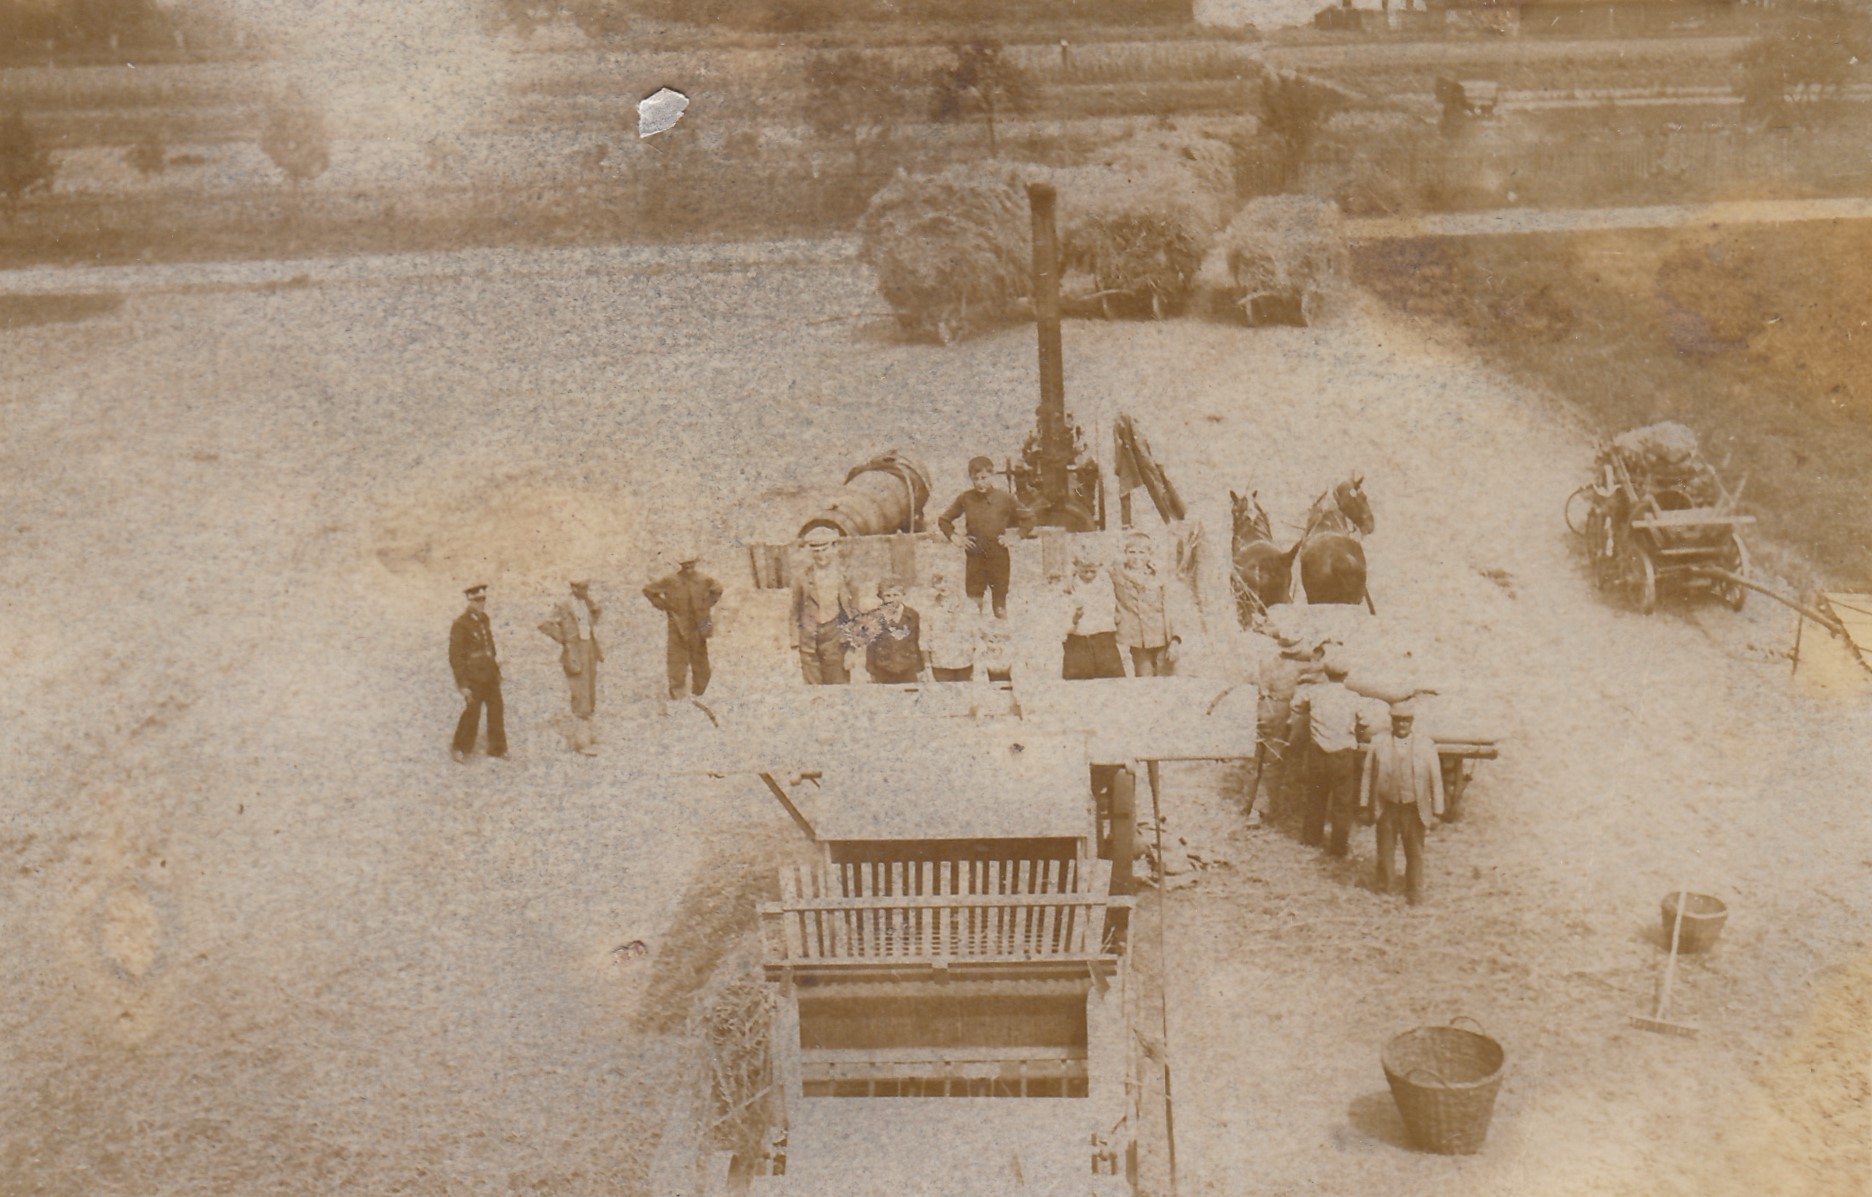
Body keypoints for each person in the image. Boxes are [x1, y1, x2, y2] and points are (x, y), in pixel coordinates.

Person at [1361, 698, 1445, 905]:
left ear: (1412, 721)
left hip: (1414, 807)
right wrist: (1364, 804)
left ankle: (1414, 891)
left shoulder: (1425, 745)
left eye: (1406, 720)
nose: (1401, 724)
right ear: (1392, 721)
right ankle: (1386, 888)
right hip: (1387, 805)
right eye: (1397, 720)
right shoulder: (1378, 742)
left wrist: (1438, 811)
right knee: (1385, 849)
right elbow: (1368, 774)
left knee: (1415, 851)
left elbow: (1436, 778)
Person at [1290, 651, 1371, 855]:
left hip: (1318, 752)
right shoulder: (1353, 698)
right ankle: (1338, 847)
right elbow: (1365, 721)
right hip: (1342, 755)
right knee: (1342, 802)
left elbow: (1296, 706)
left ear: (1326, 673)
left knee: (1316, 797)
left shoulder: (1314, 692)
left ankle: (1311, 839)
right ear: (1346, 675)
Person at [937, 456, 1018, 620]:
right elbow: (944, 520)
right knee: (974, 601)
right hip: (975, 554)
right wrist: (956, 538)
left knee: (999, 602)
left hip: (998, 554)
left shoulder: (1005, 498)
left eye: (984, 478)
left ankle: (1001, 632)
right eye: (976, 479)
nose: (980, 483)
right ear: (971, 478)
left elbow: (1028, 519)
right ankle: (976, 632)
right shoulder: (966, 498)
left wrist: (1014, 537)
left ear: (992, 475)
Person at [642, 552, 722, 701]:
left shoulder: (704, 579)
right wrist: (664, 605)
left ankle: (701, 693)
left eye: (691, 563)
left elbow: (718, 590)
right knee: (677, 660)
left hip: (700, 624)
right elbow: (648, 590)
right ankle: (677, 695)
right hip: (678, 624)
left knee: (701, 660)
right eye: (685, 564)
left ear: (695, 563)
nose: (688, 567)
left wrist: (706, 605)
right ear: (680, 565)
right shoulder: (670, 580)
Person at [538, 578, 605, 754]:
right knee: (580, 692)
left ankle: (589, 734)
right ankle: (582, 742)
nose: (585, 590)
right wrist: (565, 640)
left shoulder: (586, 602)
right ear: (573, 588)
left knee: (590, 690)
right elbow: (545, 623)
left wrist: (591, 603)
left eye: (587, 587)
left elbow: (597, 614)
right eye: (582, 588)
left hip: (589, 648)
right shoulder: (564, 605)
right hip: (574, 652)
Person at [790, 525, 862, 685]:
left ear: (835, 547)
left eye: (825, 549)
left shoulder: (846, 576)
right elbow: (795, 611)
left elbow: (855, 613)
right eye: (816, 551)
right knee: (813, 691)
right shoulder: (802, 577)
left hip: (836, 637)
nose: (821, 555)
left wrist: (852, 649)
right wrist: (795, 647)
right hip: (809, 640)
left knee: (838, 688)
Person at [449, 583, 506, 763]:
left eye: (483, 600)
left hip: (490, 674)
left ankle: (497, 749)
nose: (481, 604)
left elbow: (490, 646)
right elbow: (456, 657)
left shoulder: (484, 619)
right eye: (477, 600)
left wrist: (496, 670)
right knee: (472, 712)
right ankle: (460, 748)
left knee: (496, 709)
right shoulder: (460, 624)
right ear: (469, 601)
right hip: (473, 676)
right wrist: (463, 684)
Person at [1111, 532, 1178, 676]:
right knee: (1144, 679)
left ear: (1149, 555)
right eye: (1132, 552)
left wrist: (1175, 639)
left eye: (1142, 552)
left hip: (1161, 638)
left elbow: (1172, 607)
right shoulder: (1117, 575)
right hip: (1137, 641)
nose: (1136, 557)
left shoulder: (1159, 576)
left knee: (1166, 680)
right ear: (1124, 553)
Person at [1062, 553, 1124, 680]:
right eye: (1084, 571)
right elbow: (1064, 614)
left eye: (1093, 571)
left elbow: (1110, 610)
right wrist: (1075, 618)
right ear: (1077, 567)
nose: (1088, 575)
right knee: (1078, 680)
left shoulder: (1105, 584)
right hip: (1078, 638)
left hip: (1103, 638)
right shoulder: (1069, 586)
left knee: (1110, 679)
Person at [922, 570, 978, 682]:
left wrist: (977, 667)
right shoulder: (929, 609)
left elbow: (977, 638)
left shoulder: (970, 607)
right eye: (938, 582)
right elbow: (924, 641)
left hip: (965, 664)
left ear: (956, 582)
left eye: (947, 581)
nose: (943, 586)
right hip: (940, 665)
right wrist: (928, 670)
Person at [865, 580, 922, 684]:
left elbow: (916, 641)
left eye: (896, 595)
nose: (892, 599)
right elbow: (871, 646)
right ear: (880, 596)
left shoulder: (912, 615)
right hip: (883, 668)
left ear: (903, 595)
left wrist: (920, 669)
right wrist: (871, 671)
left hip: (907, 667)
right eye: (887, 596)